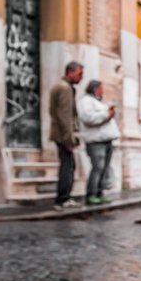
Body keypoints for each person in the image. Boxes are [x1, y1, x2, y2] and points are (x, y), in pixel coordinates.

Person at [77, 80, 120, 206]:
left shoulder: (98, 101)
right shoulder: (85, 101)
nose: (103, 91)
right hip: (96, 141)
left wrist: (109, 113)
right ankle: (91, 194)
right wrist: (107, 114)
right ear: (95, 88)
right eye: (101, 88)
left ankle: (100, 193)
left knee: (104, 168)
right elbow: (88, 118)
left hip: (106, 140)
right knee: (98, 167)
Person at [49, 61, 84, 209]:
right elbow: (65, 116)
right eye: (79, 74)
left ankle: (64, 197)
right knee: (68, 166)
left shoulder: (62, 87)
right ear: (70, 72)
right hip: (63, 135)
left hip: (60, 133)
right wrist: (69, 139)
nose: (81, 78)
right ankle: (63, 198)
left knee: (68, 165)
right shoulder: (65, 89)